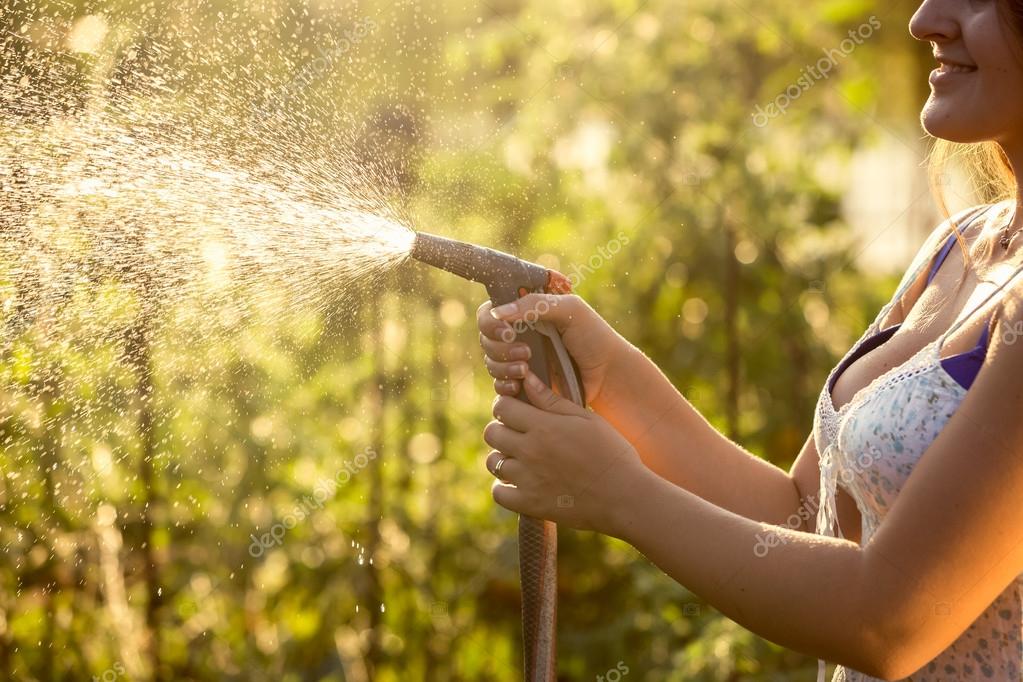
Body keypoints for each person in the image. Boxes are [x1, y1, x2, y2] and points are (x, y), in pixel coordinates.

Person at [475, 0, 1023, 679]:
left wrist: (615, 492)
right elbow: (799, 518)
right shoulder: (962, 246)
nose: (923, 20)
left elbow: (886, 619)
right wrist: (609, 376)